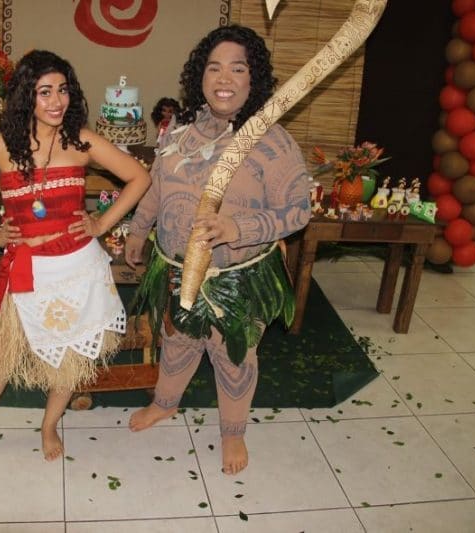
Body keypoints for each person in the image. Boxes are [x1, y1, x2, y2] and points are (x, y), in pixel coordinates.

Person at [0, 50, 151, 460]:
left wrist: (101, 222)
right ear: (26, 95)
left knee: (69, 356)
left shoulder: (81, 140)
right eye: (45, 92)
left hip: (77, 266)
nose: (56, 101)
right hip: (27, 268)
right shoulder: (1, 146)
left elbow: (139, 176)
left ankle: (49, 426)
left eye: (62, 90)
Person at [124, 25, 311, 475]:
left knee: (233, 357)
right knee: (177, 341)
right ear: (199, 77)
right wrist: (138, 230)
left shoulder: (272, 141)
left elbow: (298, 211)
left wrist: (236, 227)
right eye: (214, 68)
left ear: (253, 78)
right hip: (175, 269)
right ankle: (165, 403)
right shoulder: (179, 133)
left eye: (237, 68)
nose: (224, 78)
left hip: (239, 279)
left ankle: (233, 433)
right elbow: (157, 186)